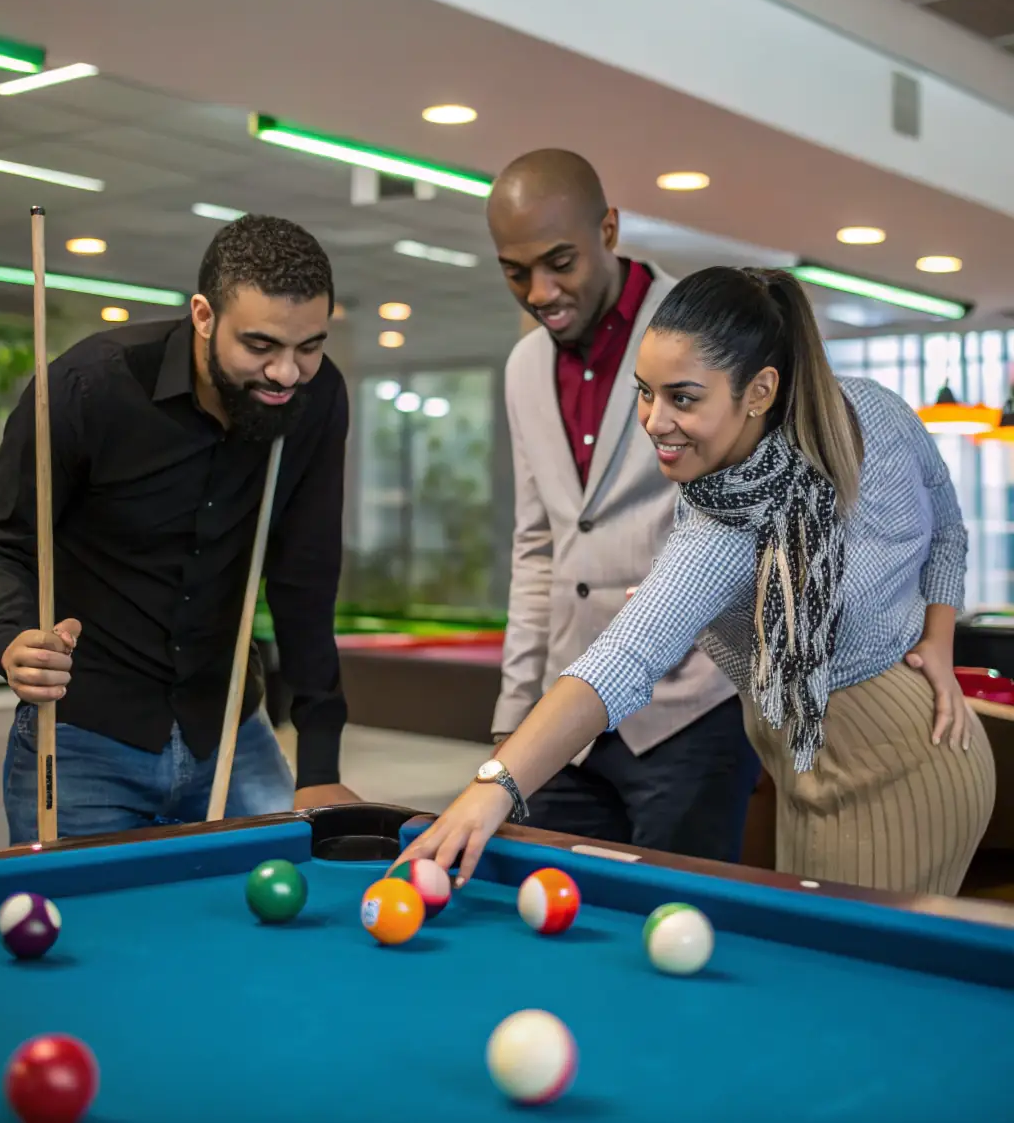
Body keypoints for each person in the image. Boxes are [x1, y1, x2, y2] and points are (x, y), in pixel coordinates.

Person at [401, 266, 996, 897]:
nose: (654, 421)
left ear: (760, 390)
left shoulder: (742, 512)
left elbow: (621, 661)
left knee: (840, 991)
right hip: (808, 766)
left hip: (892, 770)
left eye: (683, 398)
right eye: (645, 391)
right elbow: (945, 530)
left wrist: (493, 787)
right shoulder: (846, 409)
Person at [0, 214, 358, 844]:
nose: (287, 373)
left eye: (309, 346)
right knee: (88, 937)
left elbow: (306, 575)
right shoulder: (88, 390)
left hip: (229, 730)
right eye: (261, 346)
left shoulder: (314, 401)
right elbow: (2, 543)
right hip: (85, 736)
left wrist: (320, 764)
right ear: (204, 316)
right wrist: (10, 640)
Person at [487, 150, 759, 861]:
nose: (540, 290)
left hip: (690, 713)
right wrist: (516, 714)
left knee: (675, 924)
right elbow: (539, 545)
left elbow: (752, 519)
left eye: (559, 261)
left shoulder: (705, 334)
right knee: (551, 917)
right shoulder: (522, 368)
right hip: (568, 717)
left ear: (608, 229)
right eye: (516, 271)